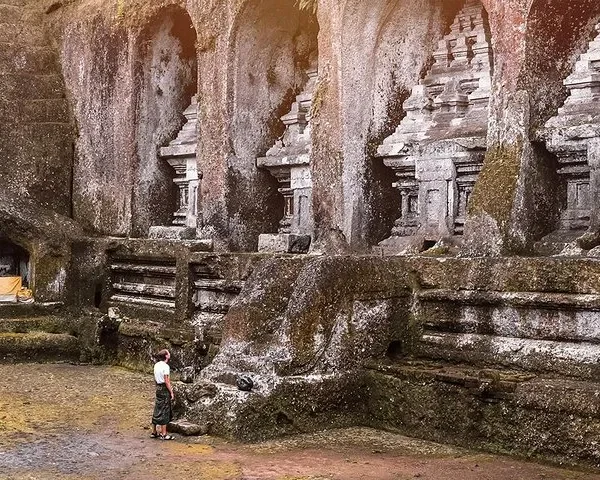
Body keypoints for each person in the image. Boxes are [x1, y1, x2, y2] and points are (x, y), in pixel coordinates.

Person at [150, 349, 175, 440]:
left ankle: (154, 431)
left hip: (158, 387)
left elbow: (155, 378)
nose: (169, 354)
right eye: (168, 353)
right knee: (165, 410)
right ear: (166, 356)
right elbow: (166, 380)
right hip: (164, 388)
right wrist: (171, 392)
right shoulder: (166, 366)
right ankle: (163, 433)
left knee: (157, 408)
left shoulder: (156, 365)